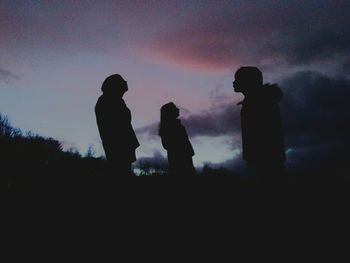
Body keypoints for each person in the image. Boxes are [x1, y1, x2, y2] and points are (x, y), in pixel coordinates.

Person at [233, 66, 285, 180]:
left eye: (237, 79)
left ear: (248, 81)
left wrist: (256, 159)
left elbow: (267, 135)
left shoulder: (261, 103)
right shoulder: (254, 102)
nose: (233, 82)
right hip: (259, 161)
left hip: (265, 162)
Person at [95, 74, 139, 176]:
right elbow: (119, 125)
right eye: (123, 81)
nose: (126, 82)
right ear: (115, 85)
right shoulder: (108, 100)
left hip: (121, 146)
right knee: (120, 174)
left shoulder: (113, 100)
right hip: (118, 147)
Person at [159, 102, 196, 176]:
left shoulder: (175, 126)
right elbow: (169, 145)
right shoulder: (173, 127)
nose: (178, 109)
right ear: (170, 112)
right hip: (181, 160)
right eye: (175, 108)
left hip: (181, 159)